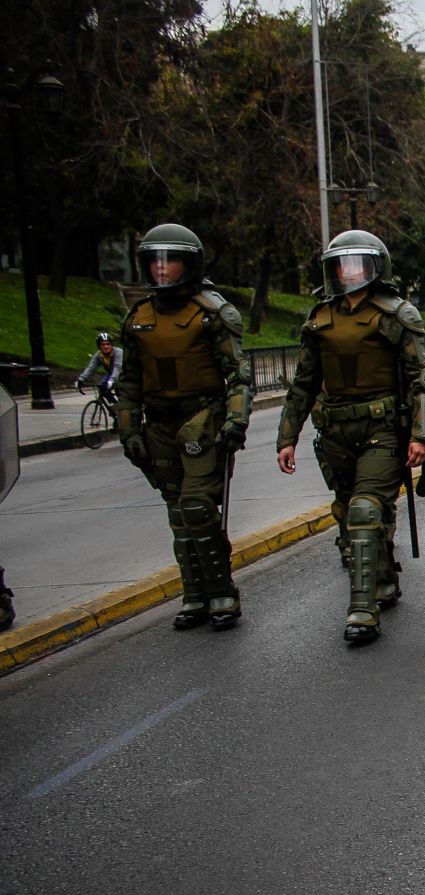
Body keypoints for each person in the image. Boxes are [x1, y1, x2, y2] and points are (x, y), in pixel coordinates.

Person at [276, 230, 425, 644]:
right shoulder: (320, 317)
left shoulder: (396, 314)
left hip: (381, 428)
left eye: (357, 264)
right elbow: (303, 384)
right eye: (342, 265)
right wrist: (286, 436)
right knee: (350, 513)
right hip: (334, 431)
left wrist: (419, 434)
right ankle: (382, 581)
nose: (349, 273)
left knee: (366, 509)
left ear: (375, 268)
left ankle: (362, 611)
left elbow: (418, 380)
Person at [116, 224, 250, 631]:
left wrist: (234, 421)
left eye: (169, 260)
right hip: (159, 424)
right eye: (154, 260)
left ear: (188, 264)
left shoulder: (212, 312)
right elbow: (129, 382)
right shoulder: (139, 316)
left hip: (201, 421)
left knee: (198, 508)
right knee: (178, 514)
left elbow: (238, 376)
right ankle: (194, 595)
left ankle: (222, 592)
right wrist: (129, 431)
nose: (161, 269)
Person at [76, 332, 123, 400]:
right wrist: (81, 379)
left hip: (124, 374)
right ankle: (113, 406)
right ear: (99, 346)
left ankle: (120, 407)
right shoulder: (99, 355)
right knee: (103, 389)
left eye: (108, 344)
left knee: (121, 393)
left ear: (111, 345)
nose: (106, 346)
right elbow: (91, 368)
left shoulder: (118, 352)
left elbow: (118, 367)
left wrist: (111, 380)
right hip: (111, 375)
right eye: (103, 344)